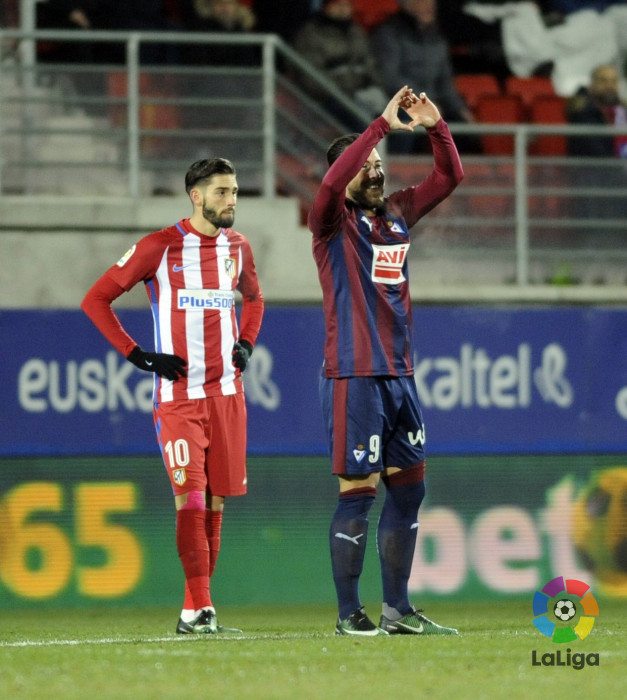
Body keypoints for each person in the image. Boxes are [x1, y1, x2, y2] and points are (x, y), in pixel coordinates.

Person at [81, 157, 264, 634]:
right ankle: (202, 609)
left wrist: (246, 341)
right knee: (192, 502)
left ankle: (193, 611)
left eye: (235, 191)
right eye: (222, 191)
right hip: (179, 397)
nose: (232, 200)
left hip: (228, 395)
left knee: (216, 506)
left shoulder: (238, 248)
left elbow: (255, 299)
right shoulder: (160, 246)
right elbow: (95, 299)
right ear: (196, 196)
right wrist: (137, 354)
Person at [307, 86, 463, 636]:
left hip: (401, 376)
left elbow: (449, 178)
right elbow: (331, 184)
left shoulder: (396, 212)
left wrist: (435, 127)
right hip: (355, 375)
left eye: (378, 164)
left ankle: (397, 608)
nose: (375, 171)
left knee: (410, 490)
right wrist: (377, 125)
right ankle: (351, 613)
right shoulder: (330, 222)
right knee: (358, 493)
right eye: (365, 165)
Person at [370, 0, 473, 151]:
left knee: (462, 126)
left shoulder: (437, 37)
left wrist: (460, 109)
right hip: (400, 100)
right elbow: (389, 78)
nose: (429, 6)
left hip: (432, 103)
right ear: (406, 5)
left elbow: (445, 83)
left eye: (431, 2)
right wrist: (423, 102)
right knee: (408, 122)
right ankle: (398, 169)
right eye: (422, 1)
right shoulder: (390, 33)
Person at [292, 0, 388, 129]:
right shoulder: (310, 33)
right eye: (337, 5)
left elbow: (370, 66)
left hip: (363, 96)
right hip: (329, 99)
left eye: (346, 5)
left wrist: (375, 87)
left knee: (403, 120)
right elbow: (310, 78)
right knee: (364, 124)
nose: (342, 9)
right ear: (326, 7)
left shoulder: (356, 31)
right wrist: (346, 93)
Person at [565, 63, 627, 233]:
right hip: (591, 175)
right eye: (603, 80)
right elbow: (595, 150)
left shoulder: (620, 111)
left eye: (613, 81)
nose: (609, 86)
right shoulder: (582, 111)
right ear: (592, 84)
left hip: (616, 172)